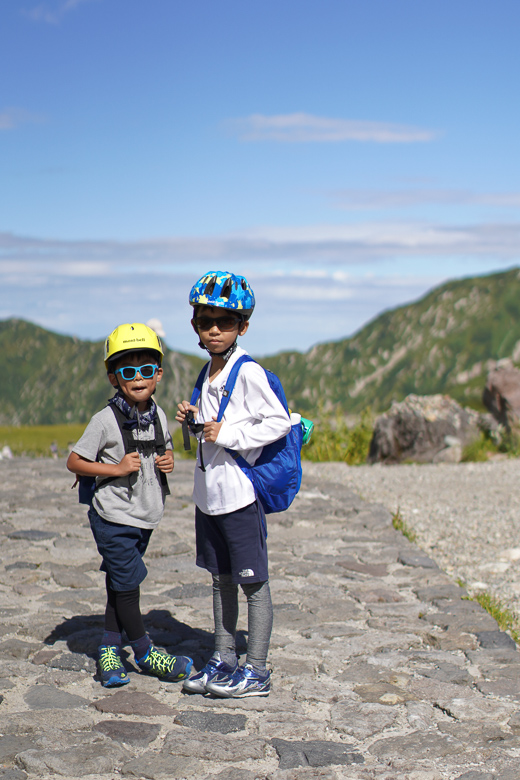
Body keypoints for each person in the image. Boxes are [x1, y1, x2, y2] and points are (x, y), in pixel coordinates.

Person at [176, 271, 291, 698]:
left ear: (243, 325)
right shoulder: (207, 373)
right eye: (207, 322)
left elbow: (278, 421)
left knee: (253, 583)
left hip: (240, 495)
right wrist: (194, 420)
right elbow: (210, 432)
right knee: (220, 579)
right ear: (195, 327)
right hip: (209, 497)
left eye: (225, 322)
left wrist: (226, 433)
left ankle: (257, 669)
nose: (215, 330)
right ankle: (224, 658)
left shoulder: (249, 372)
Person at [67, 323, 192, 688]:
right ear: (113, 377)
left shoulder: (158, 413)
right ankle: (144, 651)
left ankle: (108, 648)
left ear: (158, 374)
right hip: (113, 515)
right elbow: (75, 461)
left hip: (144, 515)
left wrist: (168, 458)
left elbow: (165, 446)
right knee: (128, 586)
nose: (138, 378)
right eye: (128, 371)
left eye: (146, 370)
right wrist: (116, 468)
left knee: (119, 586)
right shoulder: (104, 421)